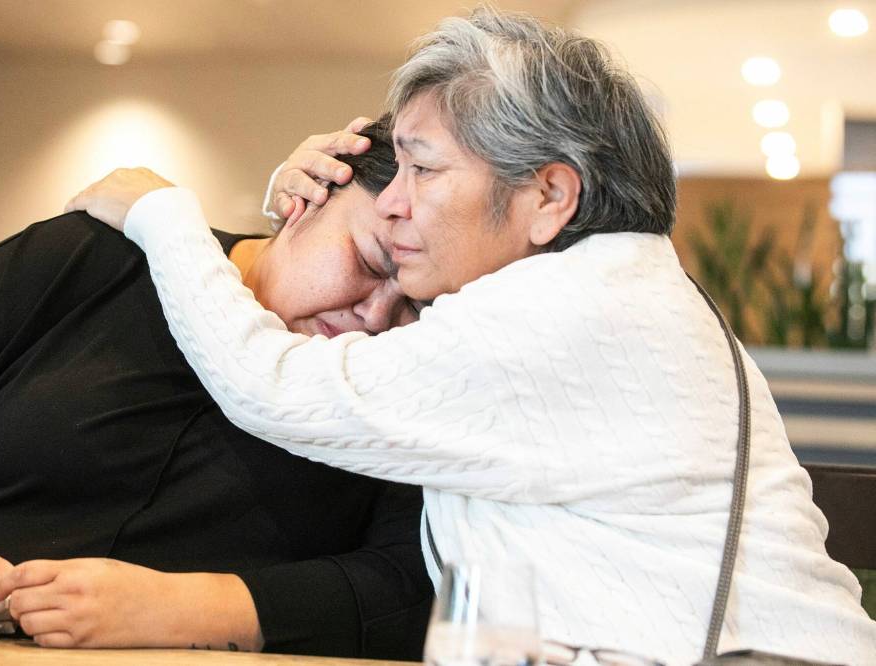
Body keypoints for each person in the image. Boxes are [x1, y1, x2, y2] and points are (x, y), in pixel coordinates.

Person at [63, 8, 876, 665]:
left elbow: (269, 386)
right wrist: (301, 203)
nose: (393, 201)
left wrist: (166, 217)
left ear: (549, 197)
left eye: (423, 169)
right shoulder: (614, 291)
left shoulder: (559, 315)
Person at [0, 121, 433, 657]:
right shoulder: (84, 256)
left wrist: (183, 608)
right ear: (304, 201)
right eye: (368, 262)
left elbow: (412, 581)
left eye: (417, 302)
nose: (376, 315)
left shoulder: (405, 392)